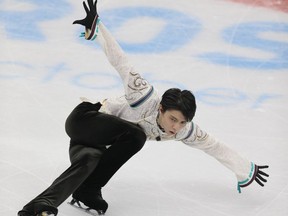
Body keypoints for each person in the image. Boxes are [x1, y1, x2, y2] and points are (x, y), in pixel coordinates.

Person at [17, 0, 269, 215]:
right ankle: (87, 187)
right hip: (85, 120)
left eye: (182, 122)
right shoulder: (144, 95)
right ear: (160, 108)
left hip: (94, 143)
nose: (176, 127)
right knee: (136, 135)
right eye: (173, 119)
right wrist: (98, 28)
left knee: (88, 163)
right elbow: (121, 62)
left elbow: (213, 145)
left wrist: (244, 168)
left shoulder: (183, 130)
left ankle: (44, 205)